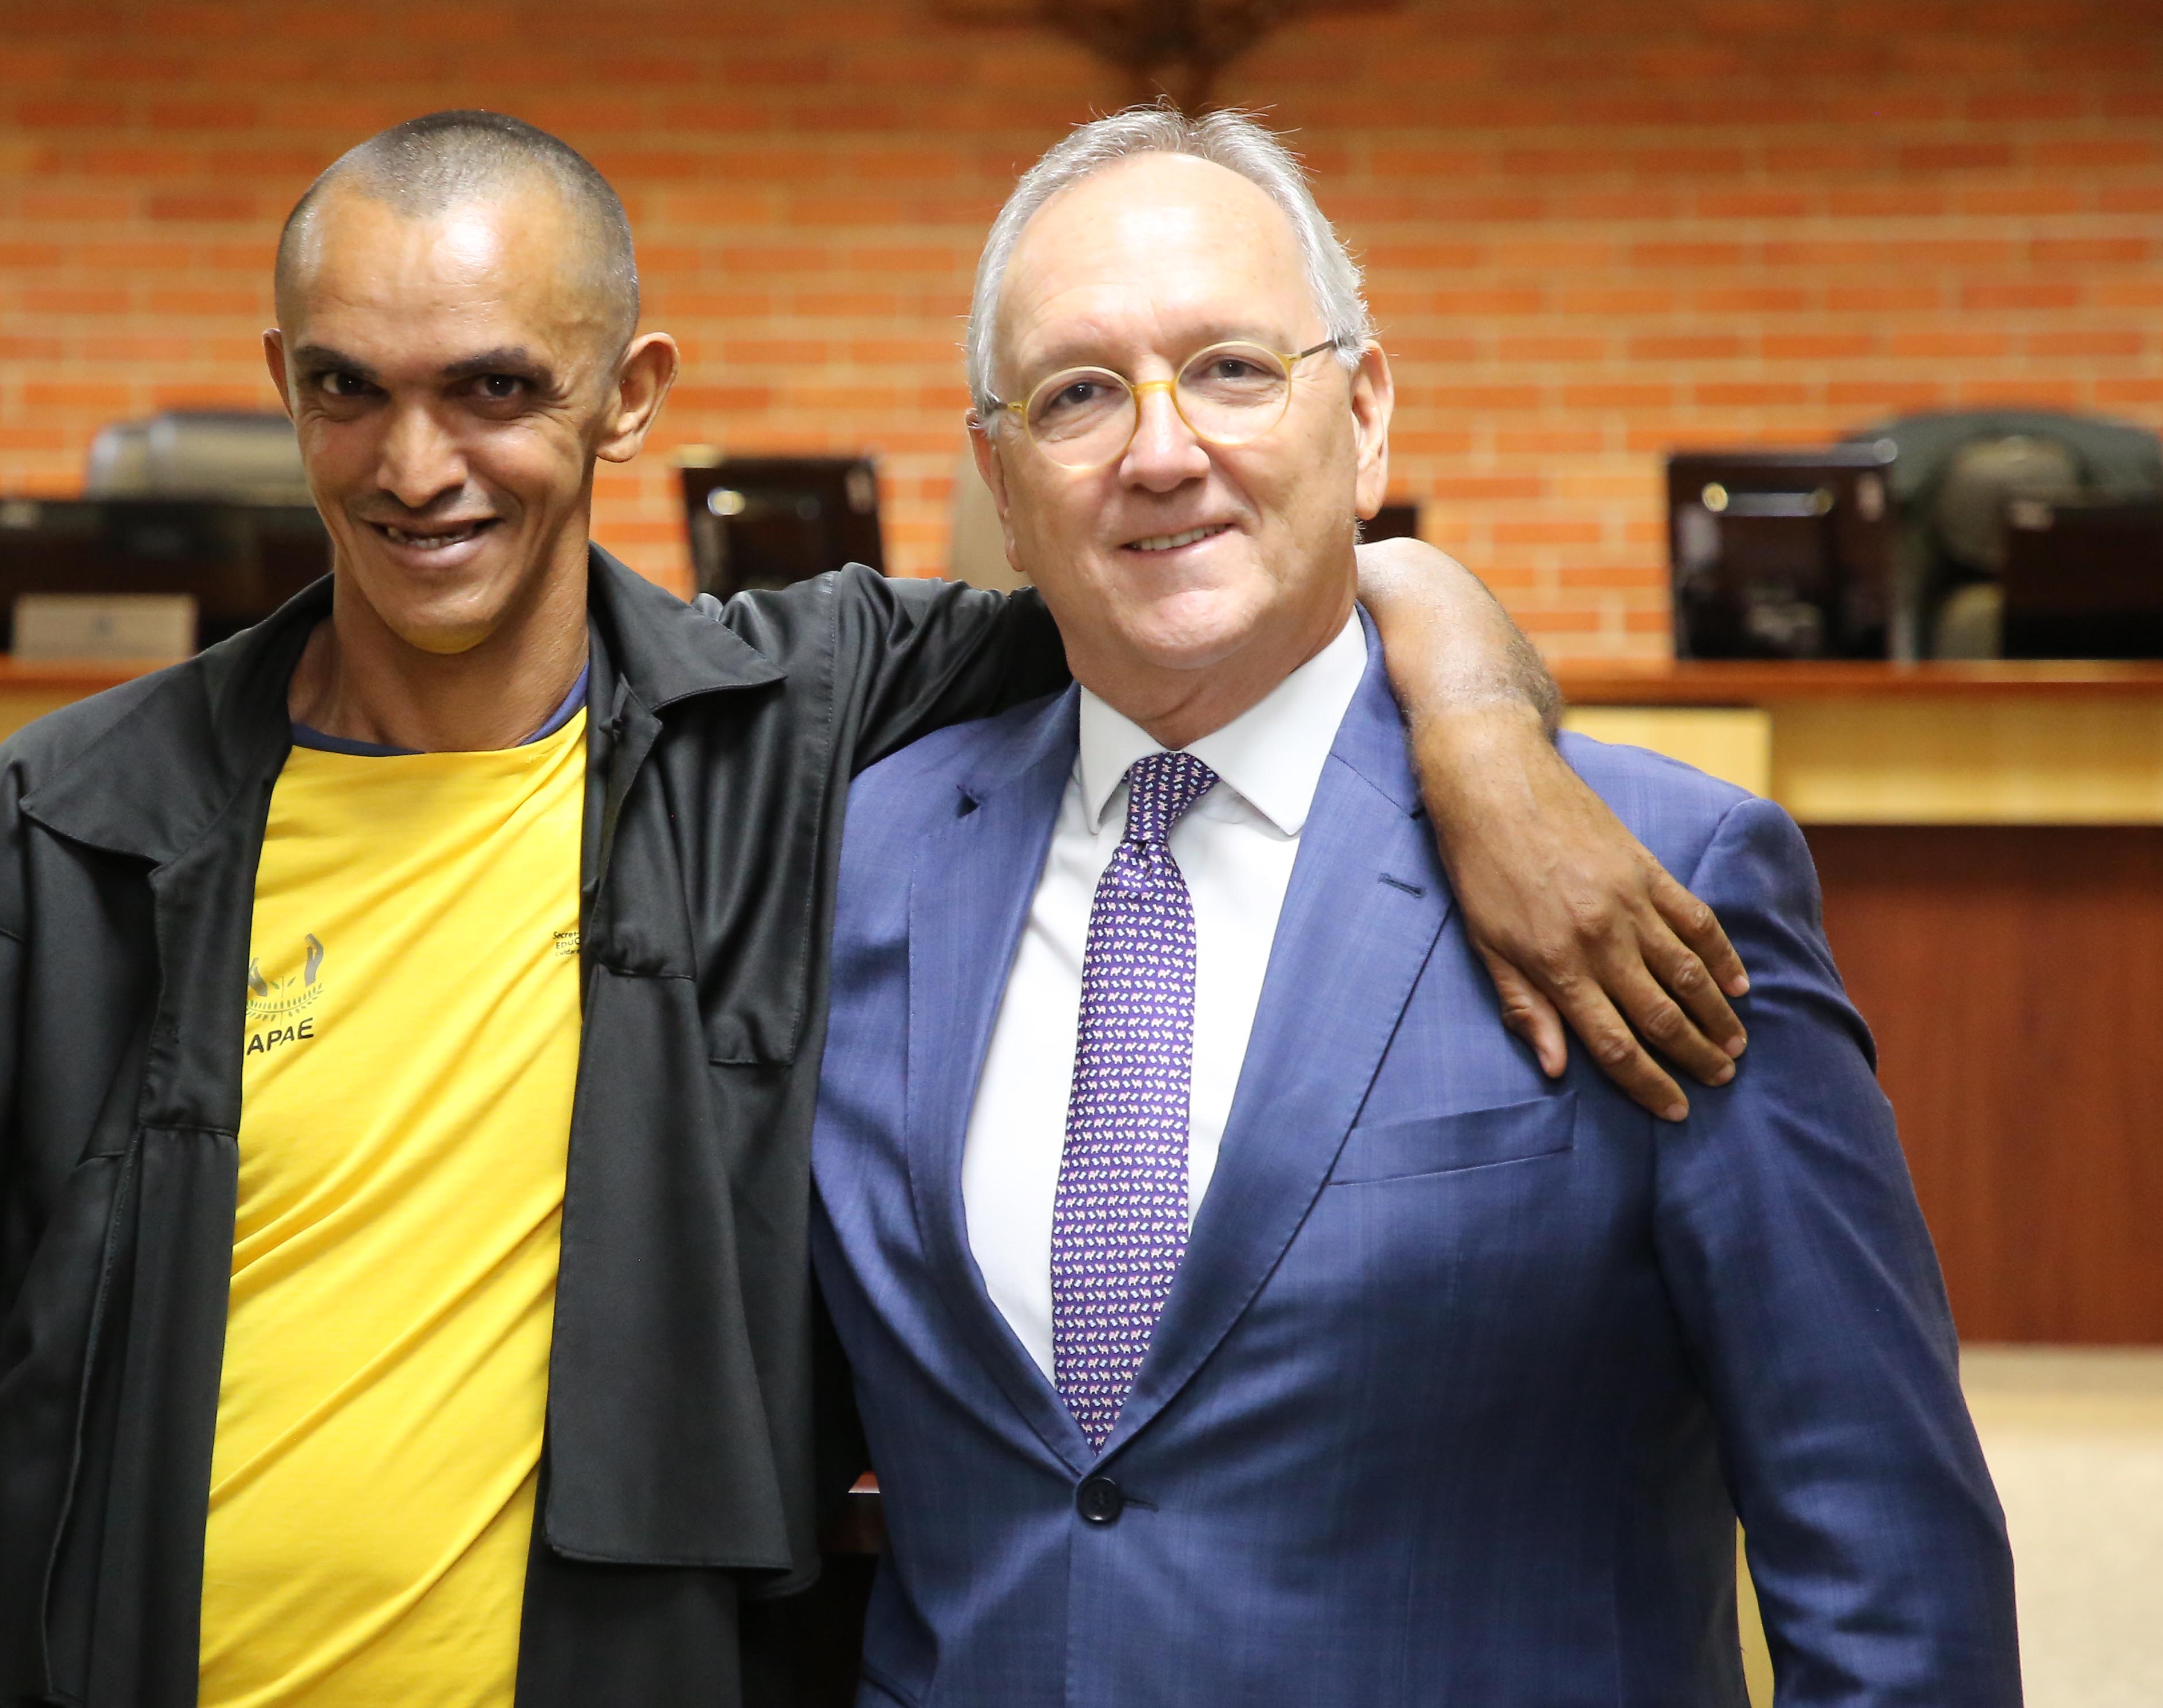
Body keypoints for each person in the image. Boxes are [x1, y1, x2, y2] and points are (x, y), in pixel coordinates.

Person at [0, 111, 1751, 1708]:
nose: (416, 464)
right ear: (284, 385)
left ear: (631, 391)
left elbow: (1240, 557)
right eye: (348, 390)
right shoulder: (47, 847)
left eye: (497, 388)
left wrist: (1480, 726)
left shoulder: (809, 726)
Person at [809, 107, 2020, 1706]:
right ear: (1002, 479)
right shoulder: (863, 860)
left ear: (1365, 415)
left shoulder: (1655, 872)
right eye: (1079, 393)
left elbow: (1882, 1553)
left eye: (1233, 369)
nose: (1160, 449)